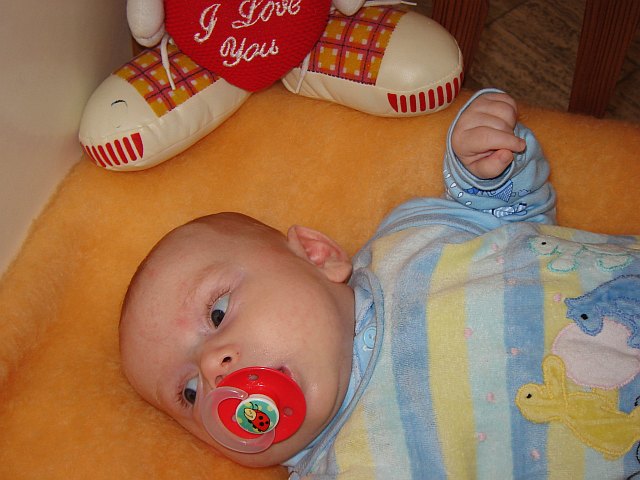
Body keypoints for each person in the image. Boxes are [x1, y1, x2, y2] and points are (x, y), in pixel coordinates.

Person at [119, 89, 640, 479]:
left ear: (318, 256)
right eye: (188, 392)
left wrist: (486, 169)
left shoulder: (412, 241)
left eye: (217, 313)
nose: (213, 369)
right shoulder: (351, 466)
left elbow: (519, 218)